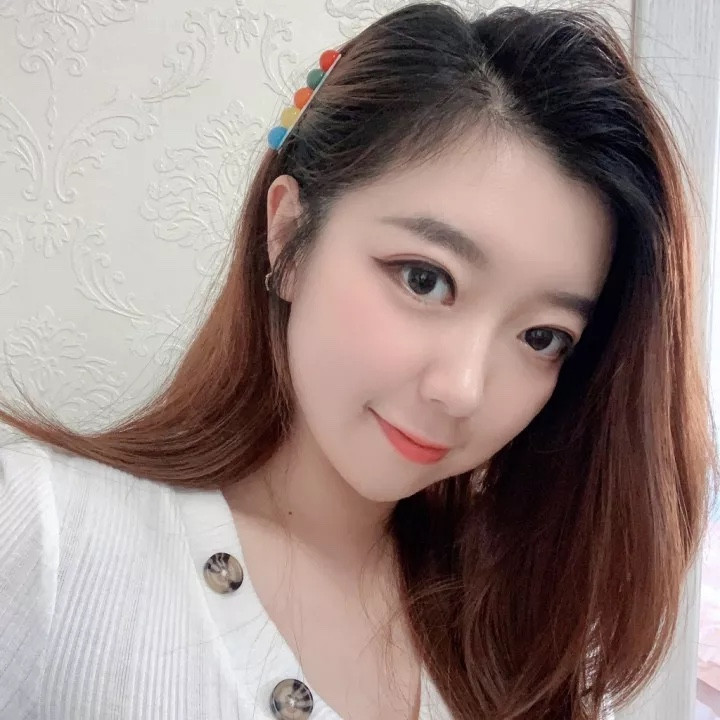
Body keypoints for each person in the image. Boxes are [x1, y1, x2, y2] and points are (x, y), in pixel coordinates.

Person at [0, 3, 715, 719]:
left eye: (541, 337)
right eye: (425, 279)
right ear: (288, 235)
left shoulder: (521, 641)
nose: (462, 390)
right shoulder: (43, 536)